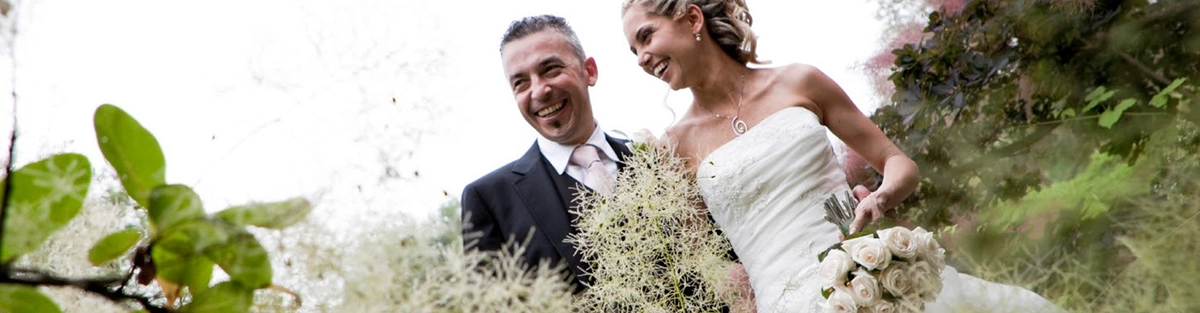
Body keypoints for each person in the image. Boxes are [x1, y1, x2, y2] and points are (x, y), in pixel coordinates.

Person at [619, 1, 1063, 312]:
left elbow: (898, 163)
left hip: (875, 281)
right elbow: (709, 264)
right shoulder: (672, 149)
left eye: (646, 36)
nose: (641, 57)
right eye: (633, 50)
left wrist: (881, 197)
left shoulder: (799, 82)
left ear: (692, 18)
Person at [460, 15, 632, 293]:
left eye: (550, 69)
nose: (539, 91)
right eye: (521, 83)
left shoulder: (657, 159)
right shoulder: (488, 200)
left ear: (590, 71)